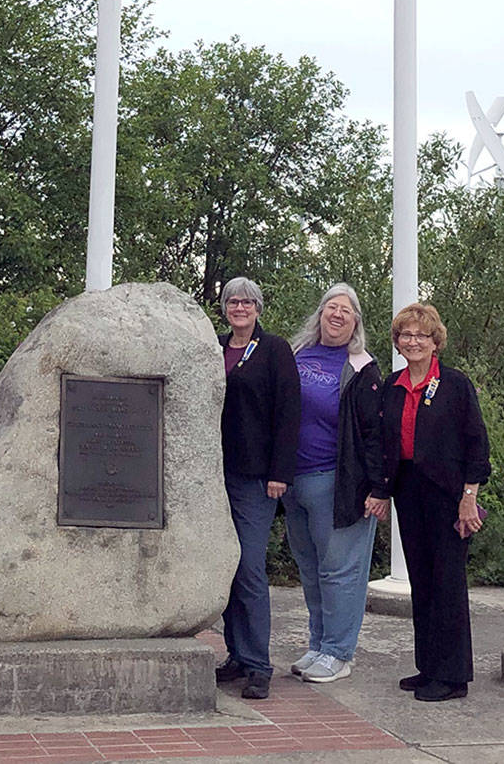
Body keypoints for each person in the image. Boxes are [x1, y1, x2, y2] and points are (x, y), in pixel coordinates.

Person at [375, 301, 490, 703]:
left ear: (435, 340)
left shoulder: (454, 385)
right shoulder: (393, 385)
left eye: (421, 335)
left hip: (449, 495)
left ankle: (454, 676)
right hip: (409, 492)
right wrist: (382, 491)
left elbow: (477, 443)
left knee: (447, 585)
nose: (413, 341)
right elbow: (385, 444)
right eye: (406, 335)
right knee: (422, 583)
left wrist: (469, 497)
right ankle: (429, 668)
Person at [284, 283, 388, 683]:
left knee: (340, 571)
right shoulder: (296, 355)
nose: (338, 314)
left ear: (356, 321)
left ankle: (339, 653)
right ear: (320, 314)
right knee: (310, 569)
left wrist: (378, 489)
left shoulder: (362, 368)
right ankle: (318, 644)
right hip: (294, 482)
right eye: (332, 306)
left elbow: (375, 434)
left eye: (347, 310)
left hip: (338, 483)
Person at [213, 277, 301, 701]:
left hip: (255, 478)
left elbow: (289, 413)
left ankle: (259, 664)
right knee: (225, 568)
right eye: (233, 301)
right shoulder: (214, 346)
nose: (240, 307)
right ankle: (236, 654)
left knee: (248, 567)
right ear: (224, 307)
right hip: (213, 477)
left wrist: (279, 472)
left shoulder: (274, 350)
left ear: (259, 308)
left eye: (247, 301)